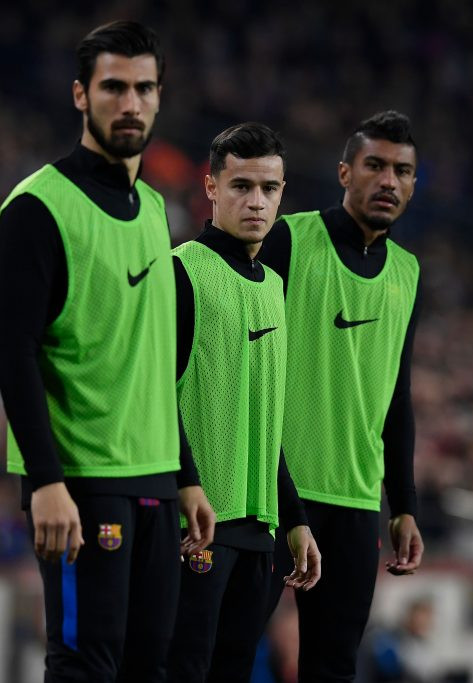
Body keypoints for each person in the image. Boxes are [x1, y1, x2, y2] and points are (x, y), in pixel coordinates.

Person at [0, 21, 214, 681]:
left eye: (144, 88)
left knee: (151, 667)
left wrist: (187, 473)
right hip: (81, 482)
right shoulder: (38, 207)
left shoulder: (153, 208)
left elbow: (152, 361)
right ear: (81, 96)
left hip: (154, 480)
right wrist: (46, 481)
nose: (131, 102)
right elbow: (14, 354)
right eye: (114, 86)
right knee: (86, 664)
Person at [257, 110, 425, 681]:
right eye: (374, 166)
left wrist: (402, 504)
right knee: (222, 654)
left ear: (412, 185)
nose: (388, 181)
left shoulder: (408, 272)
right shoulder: (286, 239)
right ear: (344, 173)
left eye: (401, 171)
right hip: (271, 491)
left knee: (333, 669)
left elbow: (397, 395)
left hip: (355, 503)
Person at [165, 123, 322, 683]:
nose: (256, 201)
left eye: (269, 188)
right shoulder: (181, 271)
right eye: (241, 186)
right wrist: (187, 485)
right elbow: (158, 398)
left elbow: (267, 421)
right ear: (210, 187)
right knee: (183, 669)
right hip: (201, 525)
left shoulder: (273, 286)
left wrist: (296, 520)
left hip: (261, 530)